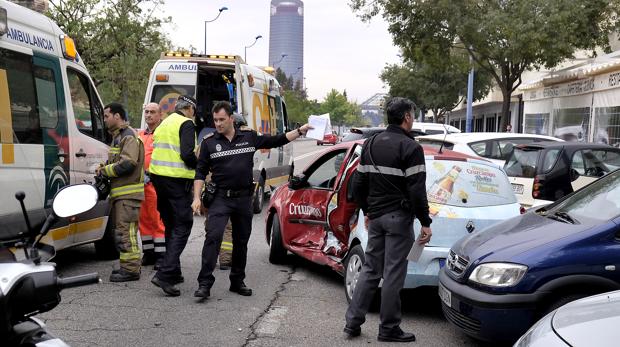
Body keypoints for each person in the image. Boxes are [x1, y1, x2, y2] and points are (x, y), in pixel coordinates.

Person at [192, 101, 311, 299]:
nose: (218, 124)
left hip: (243, 199)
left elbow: (277, 140)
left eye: (222, 119)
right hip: (220, 198)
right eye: (215, 120)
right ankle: (204, 284)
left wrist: (300, 130)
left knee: (241, 242)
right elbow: (199, 172)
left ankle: (237, 281)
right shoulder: (209, 142)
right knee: (213, 239)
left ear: (231, 118)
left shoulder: (249, 137)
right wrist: (196, 197)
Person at [344, 97, 432, 342]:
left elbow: (358, 184)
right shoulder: (411, 148)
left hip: (377, 219)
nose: (413, 118)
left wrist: (368, 211)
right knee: (393, 273)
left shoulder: (371, 144)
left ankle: (352, 323)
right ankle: (389, 328)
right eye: (412, 114)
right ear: (406, 117)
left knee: (371, 270)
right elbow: (416, 190)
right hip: (399, 220)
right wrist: (425, 222)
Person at [149, 95, 198, 296]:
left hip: (158, 179)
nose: (194, 115)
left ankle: (174, 271)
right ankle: (165, 273)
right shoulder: (186, 123)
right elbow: (187, 155)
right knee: (184, 224)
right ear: (189, 108)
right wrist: (200, 165)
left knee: (170, 224)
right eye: (194, 111)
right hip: (176, 181)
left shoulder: (164, 123)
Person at [98, 103, 145, 282]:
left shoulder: (128, 136)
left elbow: (128, 163)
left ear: (117, 116)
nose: (104, 119)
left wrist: (105, 171)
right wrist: (105, 167)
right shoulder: (119, 137)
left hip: (128, 195)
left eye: (106, 116)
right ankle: (128, 266)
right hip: (122, 195)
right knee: (123, 231)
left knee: (127, 233)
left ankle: (131, 270)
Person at [138, 103, 166, 269]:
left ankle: (161, 255)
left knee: (158, 220)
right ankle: (149, 253)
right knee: (144, 220)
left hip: (156, 183)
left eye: (152, 112)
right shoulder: (140, 134)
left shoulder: (162, 134)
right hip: (141, 183)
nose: (148, 115)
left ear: (160, 115)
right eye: (146, 112)